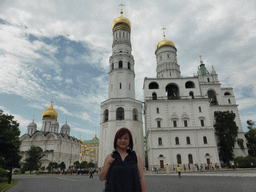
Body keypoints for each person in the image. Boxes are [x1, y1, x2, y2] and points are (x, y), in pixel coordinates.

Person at [99, 127, 146, 192]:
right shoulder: (110, 156)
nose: (123, 141)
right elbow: (102, 178)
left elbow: (141, 178)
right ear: (116, 140)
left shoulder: (136, 157)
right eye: (120, 138)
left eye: (126, 138)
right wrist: (107, 164)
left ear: (130, 141)